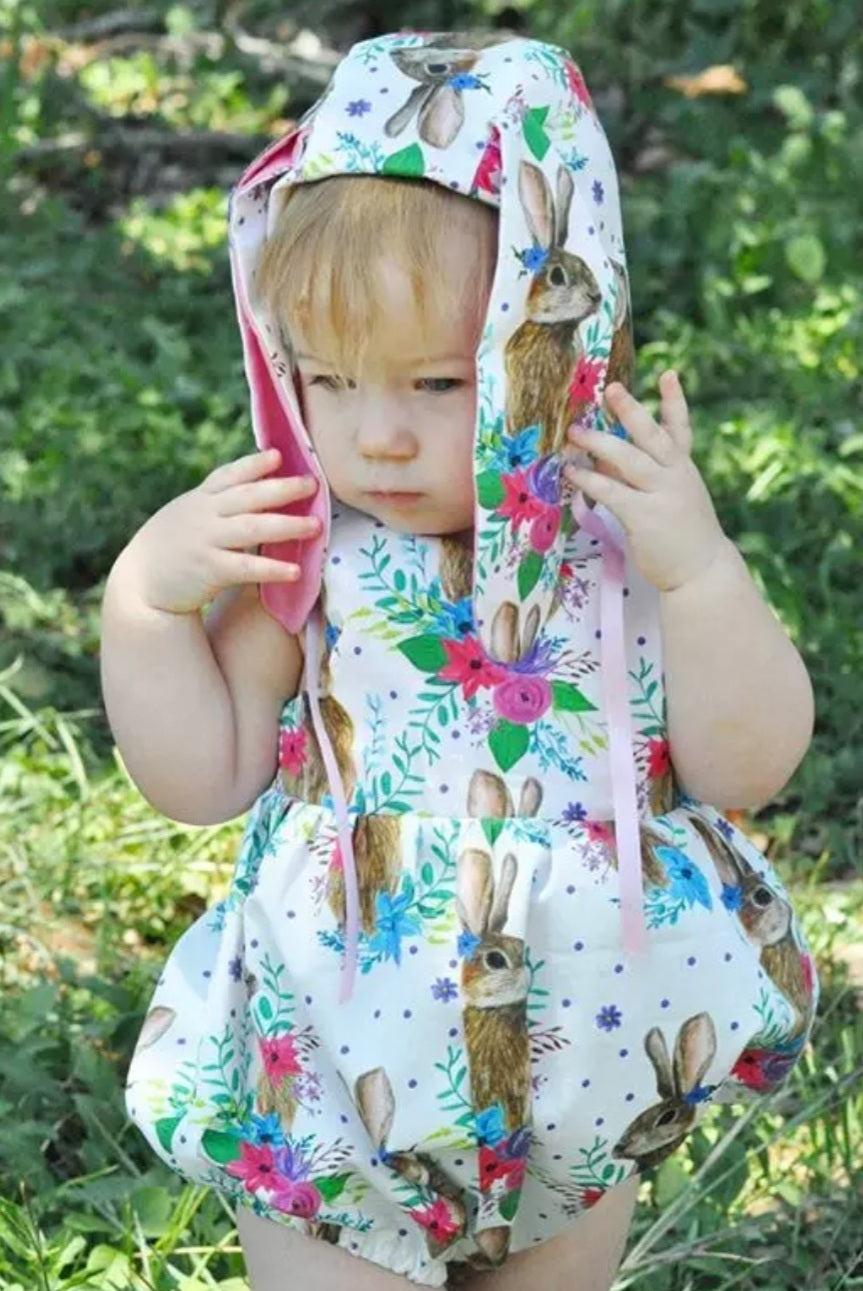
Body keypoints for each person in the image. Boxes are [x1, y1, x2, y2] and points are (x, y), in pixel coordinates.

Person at [101, 31, 819, 1291]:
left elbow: (743, 762)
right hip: (332, 1060)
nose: (374, 435)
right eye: (327, 379)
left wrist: (700, 576)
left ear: (550, 346)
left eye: (437, 381)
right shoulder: (306, 552)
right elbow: (199, 775)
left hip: (579, 1062)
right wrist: (146, 606)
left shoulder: (618, 545)